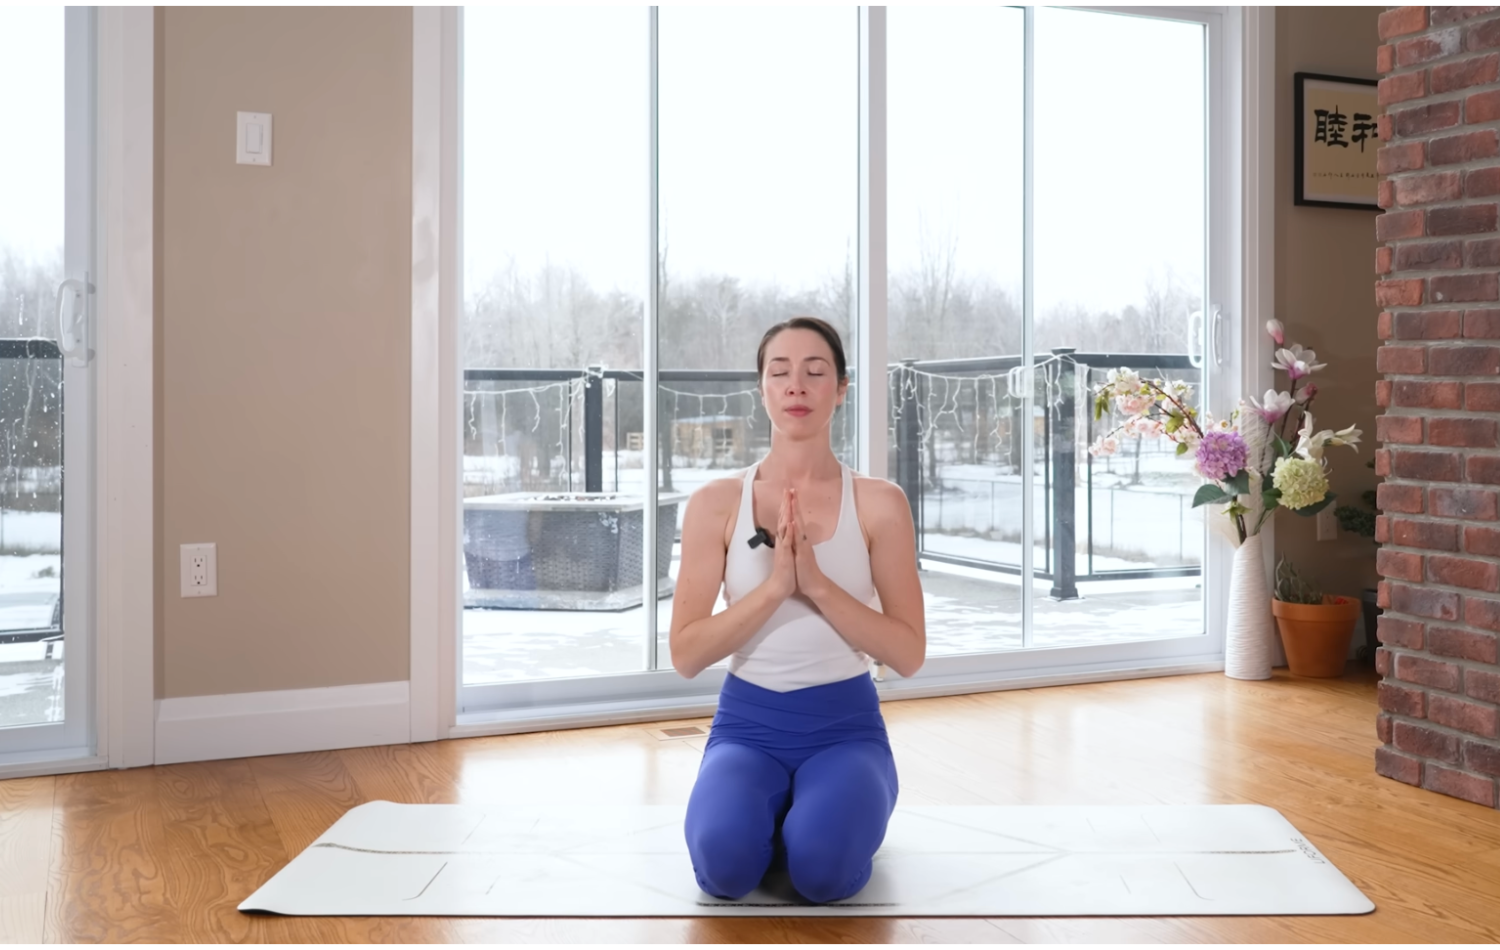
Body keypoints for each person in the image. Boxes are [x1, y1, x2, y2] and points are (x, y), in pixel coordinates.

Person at [669, 316, 926, 904]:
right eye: (779, 372)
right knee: (724, 870)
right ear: (761, 388)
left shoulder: (881, 505)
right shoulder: (714, 505)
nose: (796, 386)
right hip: (747, 728)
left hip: (846, 730)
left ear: (841, 388)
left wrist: (817, 585)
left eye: (815, 372)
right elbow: (686, 654)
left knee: (823, 875)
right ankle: (782, 818)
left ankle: (819, 820)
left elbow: (908, 654)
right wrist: (775, 586)